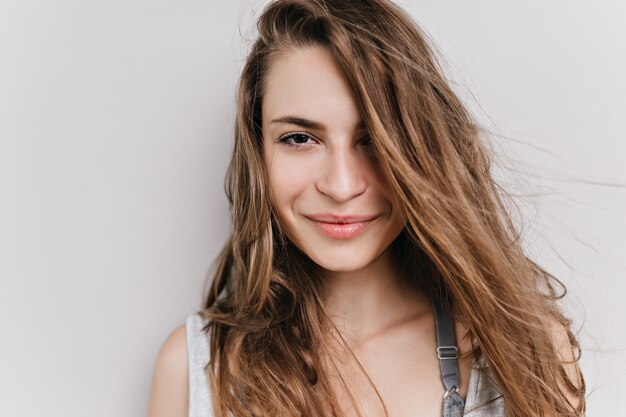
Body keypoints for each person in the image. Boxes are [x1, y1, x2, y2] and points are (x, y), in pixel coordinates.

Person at [147, 1, 586, 416]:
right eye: (300, 138)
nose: (340, 186)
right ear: (259, 153)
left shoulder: (524, 354)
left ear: (422, 149)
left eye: (373, 140)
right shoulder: (193, 370)